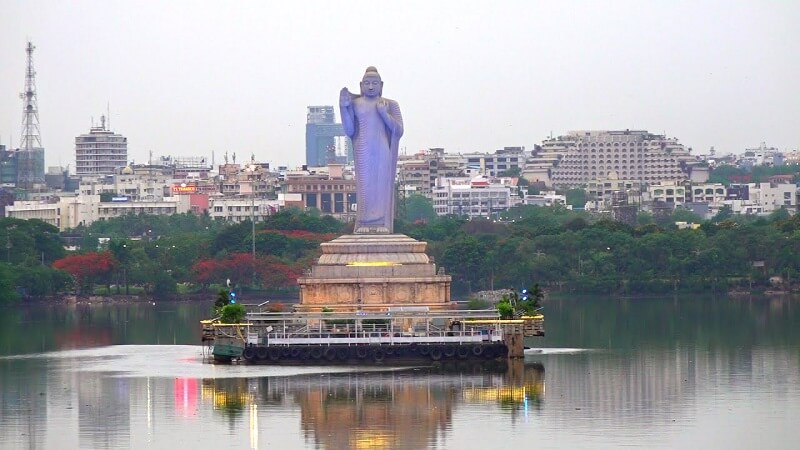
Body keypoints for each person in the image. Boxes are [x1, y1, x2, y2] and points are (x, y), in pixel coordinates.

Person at [339, 66, 404, 233]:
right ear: (361, 85)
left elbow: (398, 130)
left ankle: (382, 223)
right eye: (367, 83)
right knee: (365, 187)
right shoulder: (356, 104)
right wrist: (343, 108)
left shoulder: (390, 105)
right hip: (363, 148)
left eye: (374, 83)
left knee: (381, 185)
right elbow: (350, 130)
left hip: (383, 150)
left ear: (381, 85)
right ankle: (364, 223)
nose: (370, 86)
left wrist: (384, 113)